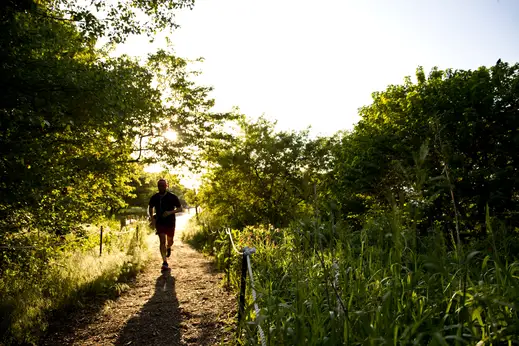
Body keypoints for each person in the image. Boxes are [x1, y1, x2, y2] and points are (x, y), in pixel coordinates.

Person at [148, 178, 182, 271]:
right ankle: (164, 262)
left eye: (163, 185)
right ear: (157, 186)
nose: (161, 187)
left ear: (166, 186)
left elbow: (180, 209)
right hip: (160, 222)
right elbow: (150, 207)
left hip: (170, 222)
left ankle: (168, 247)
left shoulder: (172, 197)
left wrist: (170, 212)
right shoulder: (154, 197)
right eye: (159, 185)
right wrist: (151, 218)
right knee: (162, 241)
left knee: (170, 241)